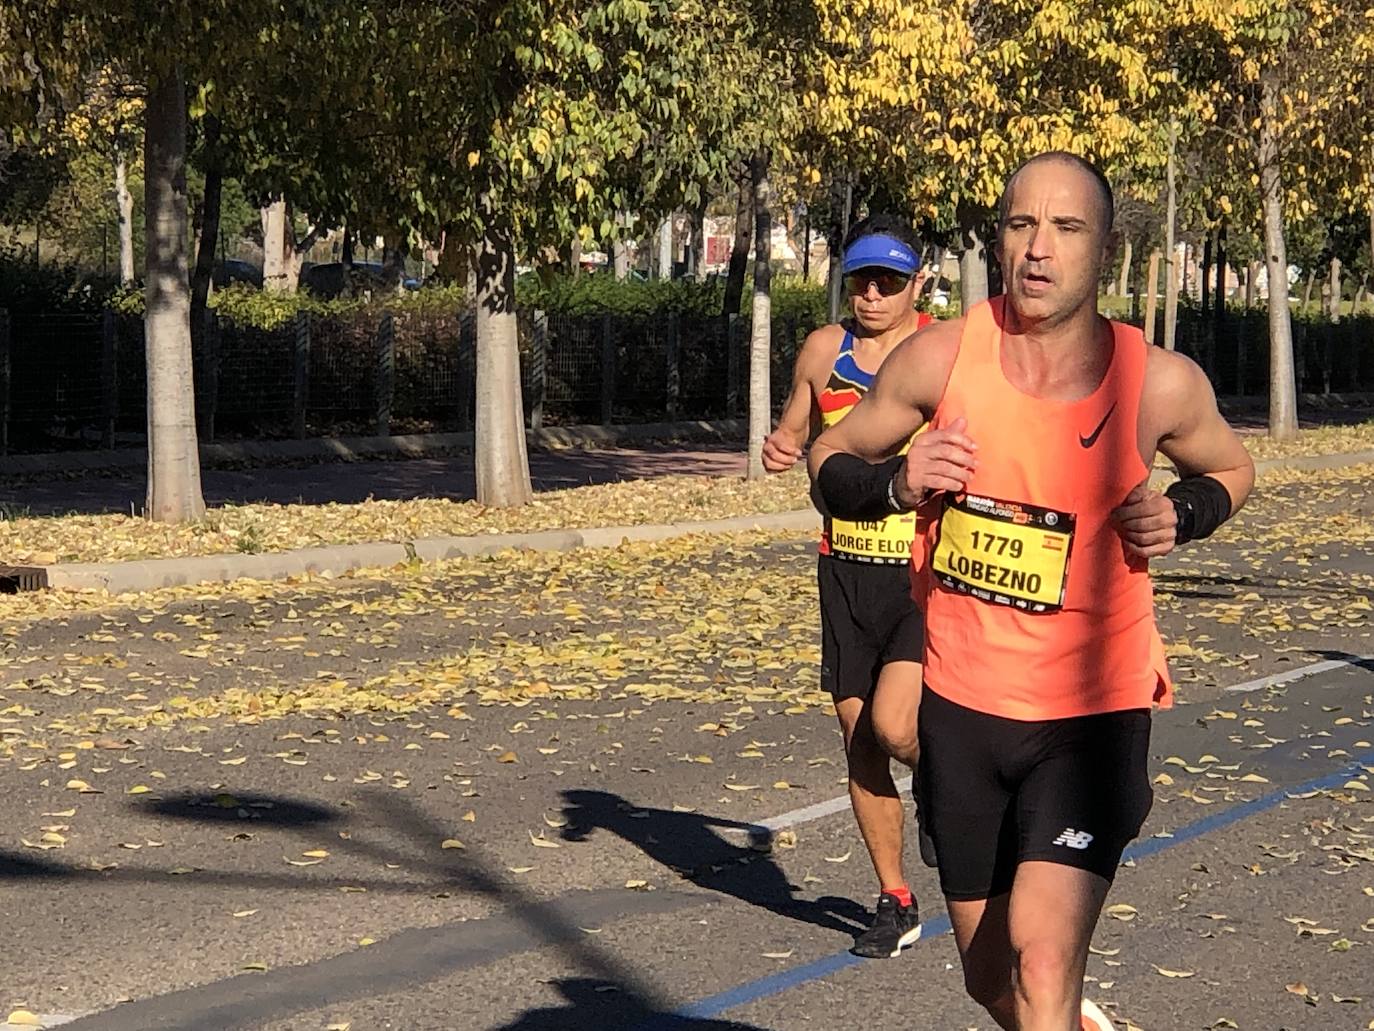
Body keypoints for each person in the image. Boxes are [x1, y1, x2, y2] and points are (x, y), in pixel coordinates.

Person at [808, 152, 1255, 1028]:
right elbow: (830, 460)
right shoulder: (943, 357)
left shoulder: (1156, 380)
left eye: (1066, 228)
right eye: (1021, 225)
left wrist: (1183, 512)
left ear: (1107, 247)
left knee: (1044, 957)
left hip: (1090, 714)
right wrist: (898, 484)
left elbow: (1233, 468)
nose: (1039, 249)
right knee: (990, 979)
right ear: (1000, 238)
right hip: (964, 712)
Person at [761, 213, 935, 959]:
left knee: (899, 727)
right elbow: (797, 431)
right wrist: (782, 443)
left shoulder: (942, 353)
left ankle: (948, 785)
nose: (871, 294)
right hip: (843, 571)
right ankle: (896, 900)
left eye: (889, 282)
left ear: (917, 284)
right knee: (860, 741)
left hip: (923, 574)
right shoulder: (824, 351)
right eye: (861, 279)